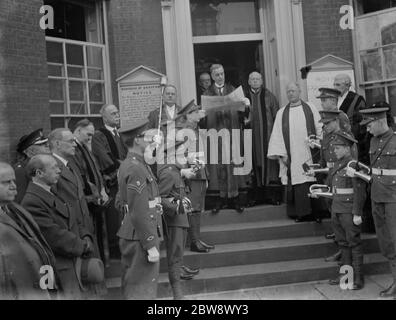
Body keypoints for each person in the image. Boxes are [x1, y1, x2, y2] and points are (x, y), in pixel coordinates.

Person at [21, 155, 96, 299]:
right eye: (54, 167)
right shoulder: (32, 202)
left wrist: (86, 236)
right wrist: (83, 246)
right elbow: (54, 236)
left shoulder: (50, 192)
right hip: (60, 269)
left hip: (72, 263)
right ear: (39, 173)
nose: (59, 171)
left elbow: (74, 219)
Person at [312, 132, 366, 290]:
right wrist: (320, 191)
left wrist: (357, 212)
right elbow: (331, 186)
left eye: (337, 148)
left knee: (354, 243)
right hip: (336, 208)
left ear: (347, 149)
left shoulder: (354, 165)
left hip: (349, 210)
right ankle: (346, 278)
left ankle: (358, 279)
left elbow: (360, 191)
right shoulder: (337, 165)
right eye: (334, 148)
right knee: (343, 244)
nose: (334, 151)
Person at [117, 120, 163, 300]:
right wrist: (150, 243)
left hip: (136, 233)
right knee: (142, 290)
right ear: (137, 140)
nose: (150, 139)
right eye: (146, 136)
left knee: (135, 285)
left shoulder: (132, 164)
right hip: (141, 236)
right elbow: (139, 210)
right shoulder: (135, 168)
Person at [0, 162, 57, 300]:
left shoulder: (17, 211)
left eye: (13, 181)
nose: (14, 186)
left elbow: (41, 250)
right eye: (6, 182)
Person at [268, 82, 322, 222]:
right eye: (288, 91)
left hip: (311, 152)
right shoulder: (281, 112)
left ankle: (317, 213)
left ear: (300, 91)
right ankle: (301, 213)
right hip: (292, 154)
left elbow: (319, 127)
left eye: (293, 90)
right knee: (297, 180)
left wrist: (319, 142)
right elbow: (277, 135)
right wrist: (282, 155)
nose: (290, 93)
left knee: (312, 177)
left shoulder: (310, 108)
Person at [203, 63, 250, 213]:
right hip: (216, 136)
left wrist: (246, 106)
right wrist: (203, 114)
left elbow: (243, 115)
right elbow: (203, 119)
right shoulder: (207, 94)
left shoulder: (233, 90)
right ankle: (220, 200)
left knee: (234, 166)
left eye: (222, 73)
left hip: (232, 134)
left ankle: (236, 200)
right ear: (212, 76)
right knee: (218, 167)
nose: (220, 77)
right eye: (217, 75)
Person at [360, 106, 396, 298]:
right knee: (386, 242)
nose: (367, 129)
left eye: (370, 124)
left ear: (381, 122)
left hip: (393, 198)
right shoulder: (374, 141)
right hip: (377, 196)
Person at [157, 134, 199, 300]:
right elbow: (160, 197)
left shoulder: (175, 171)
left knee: (178, 255)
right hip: (173, 220)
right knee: (175, 257)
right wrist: (177, 206)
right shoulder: (168, 173)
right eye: (182, 153)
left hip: (180, 219)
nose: (185, 156)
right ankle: (178, 295)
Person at [177, 102, 215, 253]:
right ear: (188, 115)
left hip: (199, 174)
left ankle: (196, 239)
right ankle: (194, 242)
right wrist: (190, 171)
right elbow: (181, 155)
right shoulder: (184, 131)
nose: (199, 113)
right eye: (196, 111)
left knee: (198, 208)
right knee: (193, 209)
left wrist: (204, 174)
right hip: (192, 175)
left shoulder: (194, 129)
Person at [73, 119, 110, 266]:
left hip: (96, 197)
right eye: (88, 134)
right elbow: (81, 176)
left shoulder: (83, 147)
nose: (90, 138)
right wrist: (95, 195)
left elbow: (95, 170)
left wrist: (101, 189)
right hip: (87, 201)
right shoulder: (73, 149)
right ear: (79, 130)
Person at [92, 104, 127, 257]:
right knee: (115, 215)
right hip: (112, 181)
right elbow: (103, 156)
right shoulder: (99, 135)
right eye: (113, 113)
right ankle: (115, 248)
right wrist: (122, 166)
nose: (117, 115)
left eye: (118, 112)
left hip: (124, 178)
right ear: (104, 117)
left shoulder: (119, 133)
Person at [244, 71, 281, 205]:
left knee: (269, 166)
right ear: (248, 81)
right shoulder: (243, 97)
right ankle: (254, 197)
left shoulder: (270, 96)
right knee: (252, 165)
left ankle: (272, 196)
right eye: (252, 79)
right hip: (250, 139)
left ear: (262, 81)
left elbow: (277, 117)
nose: (255, 81)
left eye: (257, 79)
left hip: (268, 138)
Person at [333, 74, 367, 162]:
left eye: (338, 85)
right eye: (334, 84)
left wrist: (347, 136)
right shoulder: (333, 99)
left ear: (347, 85)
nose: (335, 87)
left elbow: (361, 124)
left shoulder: (357, 99)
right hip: (335, 142)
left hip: (351, 142)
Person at [14, 129, 50, 203]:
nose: (47, 146)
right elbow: (20, 201)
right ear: (31, 151)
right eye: (41, 144)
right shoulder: (20, 171)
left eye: (46, 143)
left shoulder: (42, 167)